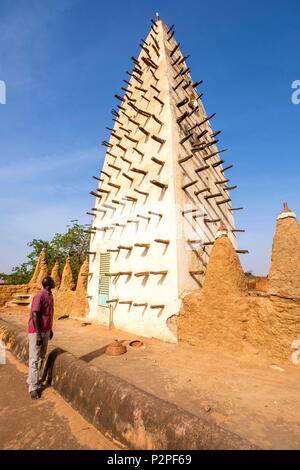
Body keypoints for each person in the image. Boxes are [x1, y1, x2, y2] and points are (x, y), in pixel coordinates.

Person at [27, 276, 55, 399]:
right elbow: (35, 314)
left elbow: (47, 314)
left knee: (42, 357)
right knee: (34, 358)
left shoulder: (50, 295)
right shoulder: (40, 296)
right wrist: (38, 334)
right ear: (48, 284)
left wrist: (50, 329)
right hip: (36, 332)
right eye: (53, 281)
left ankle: (32, 380)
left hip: (45, 331)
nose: (55, 282)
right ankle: (33, 388)